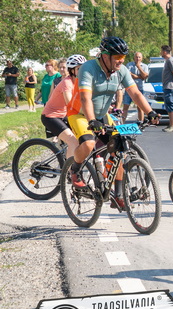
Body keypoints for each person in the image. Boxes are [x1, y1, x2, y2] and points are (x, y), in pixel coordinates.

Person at [66, 37, 159, 208]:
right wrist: (92, 121)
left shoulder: (121, 70)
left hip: (102, 115)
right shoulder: (88, 68)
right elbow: (85, 98)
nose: (121, 60)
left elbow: (135, 93)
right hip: (80, 114)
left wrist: (150, 112)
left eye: (123, 57)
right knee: (88, 143)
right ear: (105, 56)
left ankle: (118, 196)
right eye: (117, 57)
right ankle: (75, 170)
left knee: (119, 148)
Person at [41, 55, 86, 159]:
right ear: (72, 70)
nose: (82, 71)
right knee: (73, 141)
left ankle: (68, 155)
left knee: (82, 136)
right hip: (51, 116)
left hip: (64, 115)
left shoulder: (80, 82)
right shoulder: (67, 82)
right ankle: (68, 168)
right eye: (79, 69)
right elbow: (70, 103)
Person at [123, 52, 149, 122]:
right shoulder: (129, 65)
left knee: (140, 107)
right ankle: (122, 123)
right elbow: (128, 75)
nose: (138, 58)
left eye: (139, 57)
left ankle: (141, 122)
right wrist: (140, 77)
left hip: (140, 88)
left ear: (142, 58)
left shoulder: (145, 66)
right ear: (134, 58)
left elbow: (145, 76)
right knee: (126, 106)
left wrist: (139, 67)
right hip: (129, 88)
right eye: (136, 57)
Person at [161, 45, 173, 132]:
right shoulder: (167, 61)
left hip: (170, 87)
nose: (160, 53)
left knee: (171, 105)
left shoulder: (171, 60)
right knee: (168, 106)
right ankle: (170, 124)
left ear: (164, 52)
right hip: (166, 87)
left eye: (161, 51)